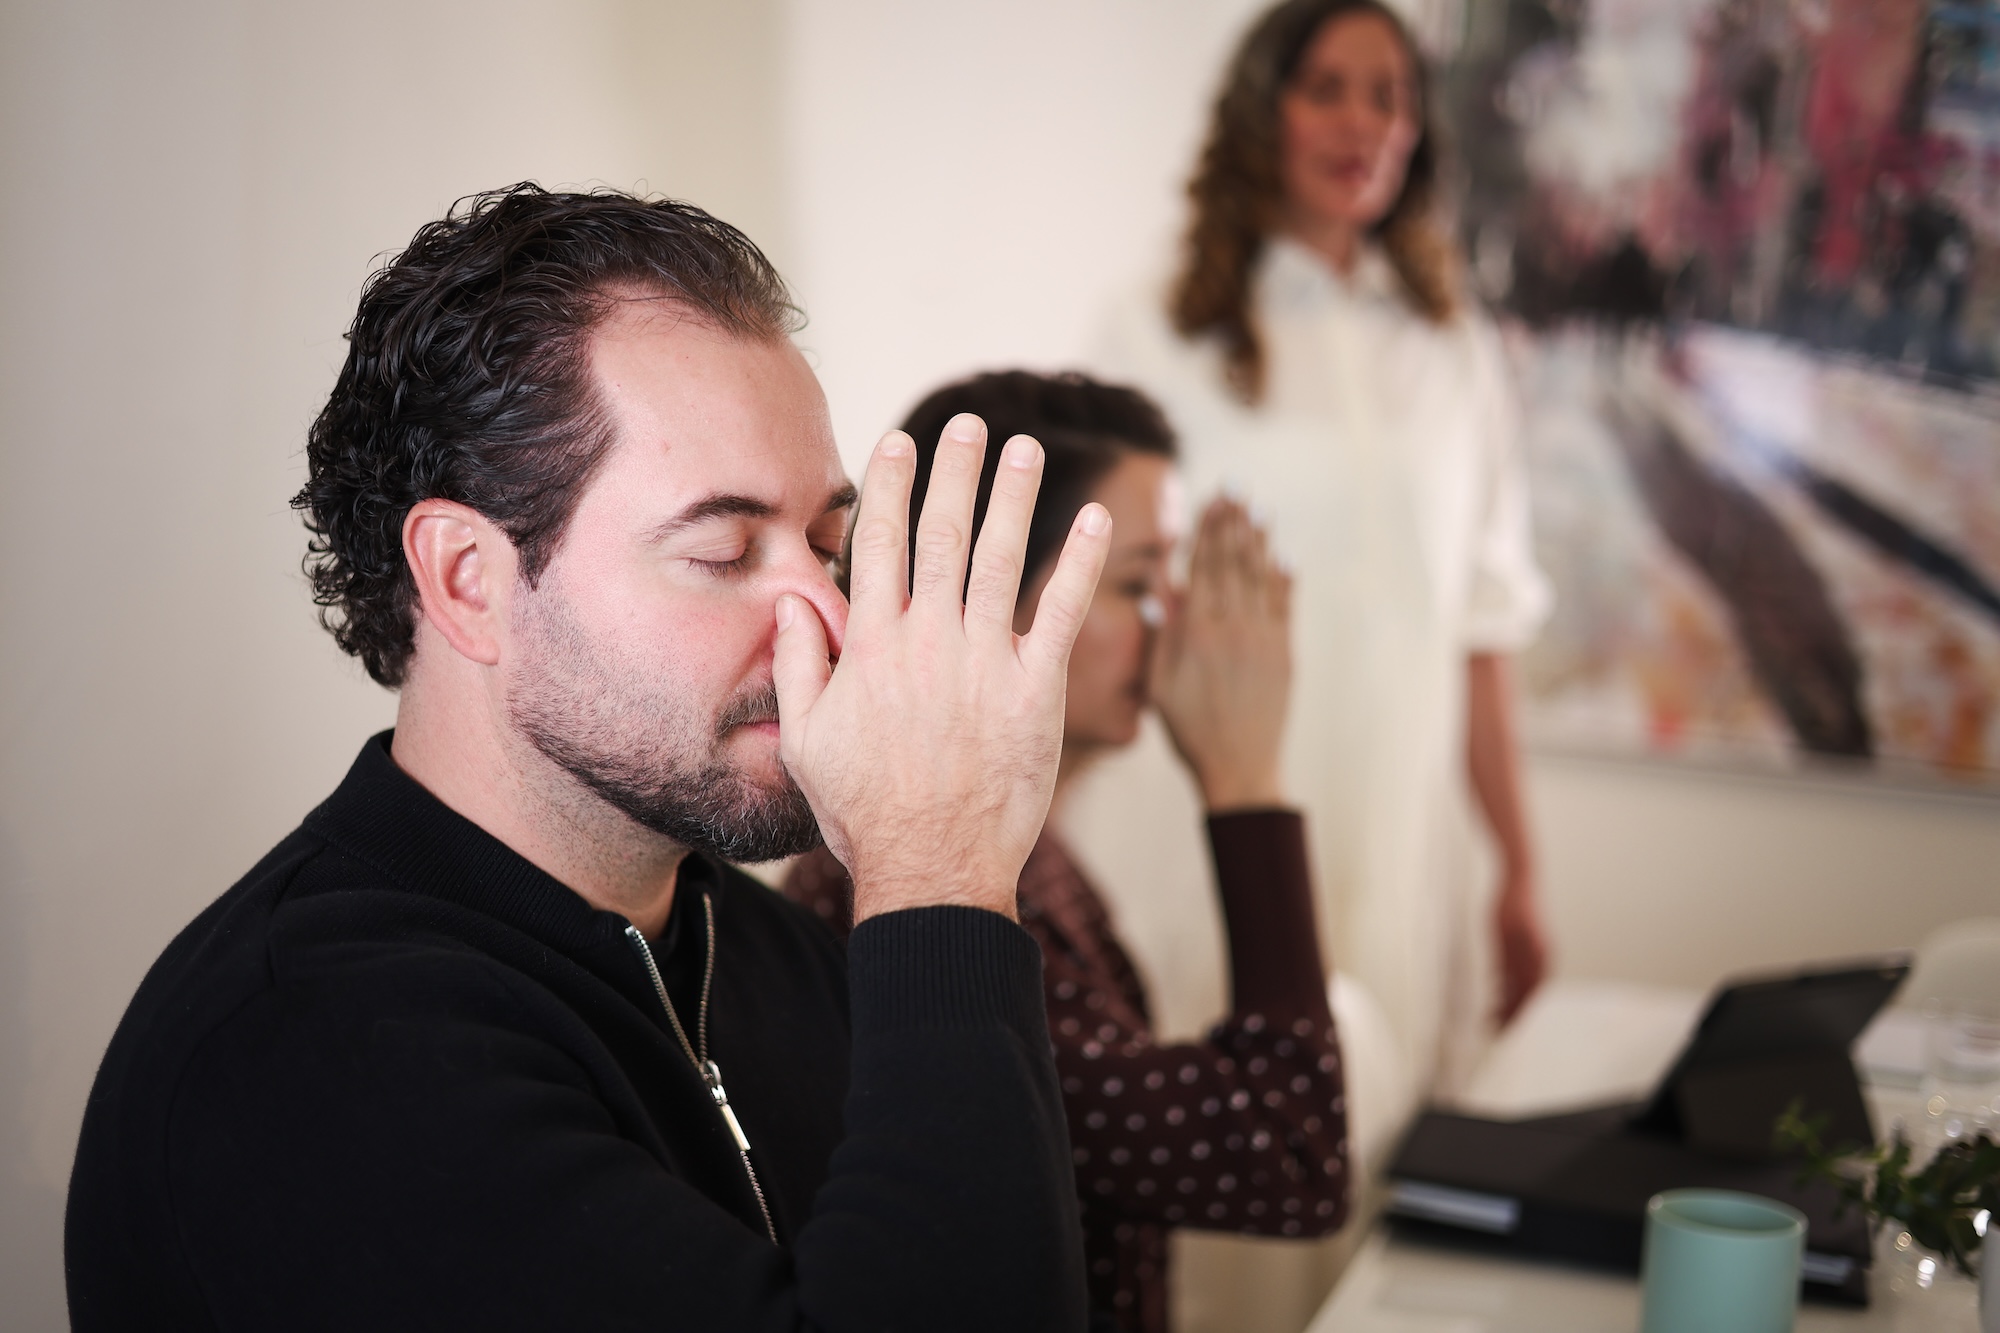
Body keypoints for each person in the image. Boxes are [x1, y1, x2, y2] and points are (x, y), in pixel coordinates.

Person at [64, 185, 1115, 1331]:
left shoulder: (771, 951)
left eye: (826, 543)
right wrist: (937, 870)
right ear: (468, 579)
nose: (825, 613)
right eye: (722, 549)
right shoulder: (306, 1053)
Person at [785, 371, 1349, 1333]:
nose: (1180, 634)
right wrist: (1244, 781)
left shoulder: (1034, 855)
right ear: (987, 593)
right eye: (1136, 584)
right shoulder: (902, 894)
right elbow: (1287, 1159)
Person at [1094, 0, 1554, 1106]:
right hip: (1211, 808)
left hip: (1398, 819)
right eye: (1327, 89)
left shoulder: (1452, 350)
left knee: (1385, 1124)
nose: (1363, 124)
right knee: (1228, 1118)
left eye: (1388, 95)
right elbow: (1100, 596)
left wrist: (1519, 870)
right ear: (1264, 111)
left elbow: (1477, 629)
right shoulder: (1159, 327)